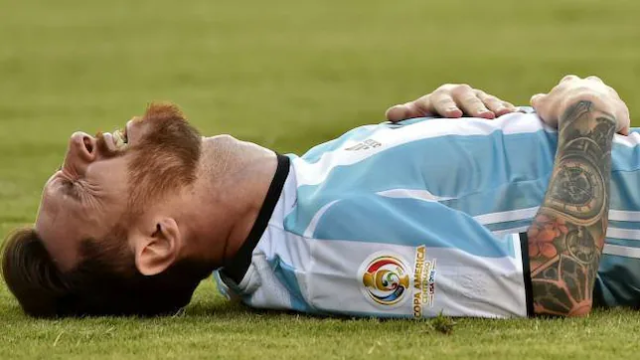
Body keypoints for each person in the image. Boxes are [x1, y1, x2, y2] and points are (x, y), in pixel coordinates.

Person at [1, 75, 635, 319]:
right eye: (78, 187)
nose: (79, 144)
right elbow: (556, 284)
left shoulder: (284, 204)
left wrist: (446, 128)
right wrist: (587, 114)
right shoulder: (322, 237)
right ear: (160, 242)